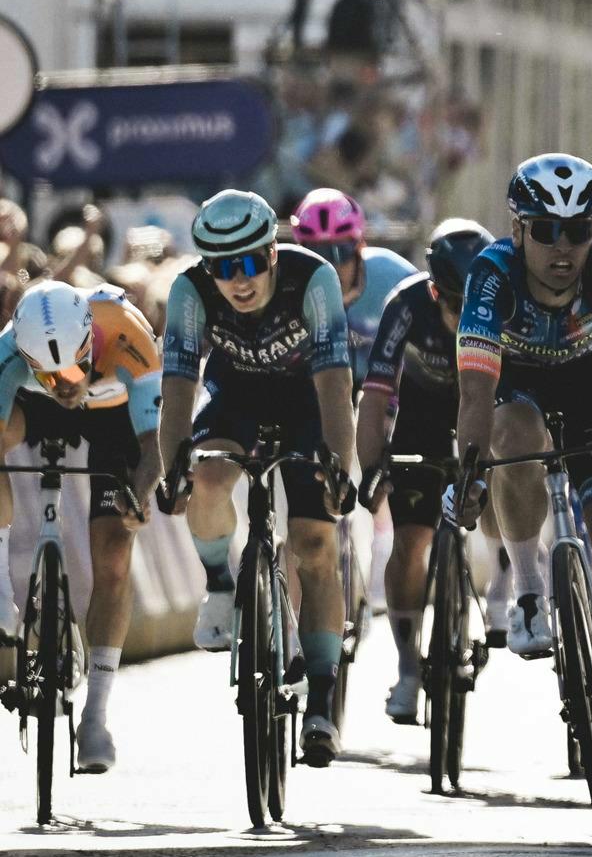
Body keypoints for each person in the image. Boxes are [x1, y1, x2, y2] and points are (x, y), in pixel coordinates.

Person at [450, 154, 592, 785]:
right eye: (545, 230)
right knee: (513, 434)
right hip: (518, 388)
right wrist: (469, 476)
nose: (562, 247)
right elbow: (474, 393)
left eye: (577, 230)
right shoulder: (491, 272)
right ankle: (529, 590)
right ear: (517, 229)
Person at [157, 191, 359, 766]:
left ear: (273, 252)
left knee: (315, 544)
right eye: (223, 268)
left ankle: (322, 698)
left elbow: (335, 383)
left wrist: (338, 465)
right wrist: (173, 468)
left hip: (306, 400)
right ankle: (221, 584)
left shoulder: (313, 278)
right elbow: (178, 388)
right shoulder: (190, 290)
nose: (239, 280)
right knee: (207, 480)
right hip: (234, 397)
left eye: (250, 262)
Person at [0, 280, 164, 772]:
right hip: (38, 413)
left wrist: (140, 495)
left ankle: (95, 715)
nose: (65, 383)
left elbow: (153, 448)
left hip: (115, 418)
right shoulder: (10, 350)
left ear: (91, 341)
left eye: (73, 368)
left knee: (113, 555)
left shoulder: (127, 333)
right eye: (49, 375)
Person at [357, 218, 491, 726]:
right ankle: (408, 665)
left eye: (473, 305)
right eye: (455, 305)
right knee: (411, 541)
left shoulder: (501, 300)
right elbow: (374, 394)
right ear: (435, 292)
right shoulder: (407, 303)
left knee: (505, 482)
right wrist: (373, 467)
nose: (464, 317)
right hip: (423, 416)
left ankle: (505, 586)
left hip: (487, 407)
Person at [291, 189, 419, 385]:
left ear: (360, 247)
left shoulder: (396, 279)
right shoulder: (289, 290)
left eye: (339, 252)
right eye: (317, 254)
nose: (329, 267)